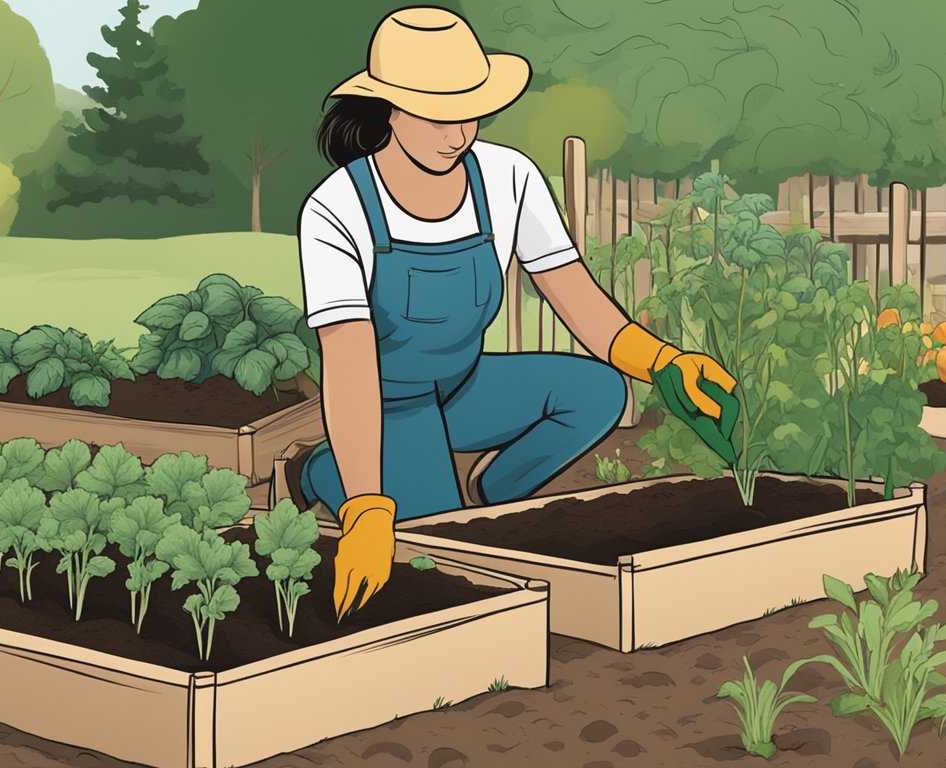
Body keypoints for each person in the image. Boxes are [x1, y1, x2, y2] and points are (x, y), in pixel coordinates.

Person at [295, 6, 738, 620]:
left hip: (466, 382)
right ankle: (326, 474)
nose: (460, 133)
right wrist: (369, 507)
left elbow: (574, 294)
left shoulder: (507, 178)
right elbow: (347, 360)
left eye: (470, 110)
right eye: (440, 115)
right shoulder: (338, 208)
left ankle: (492, 496)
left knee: (597, 393)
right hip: (389, 400)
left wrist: (663, 361)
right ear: (389, 110)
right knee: (439, 543)